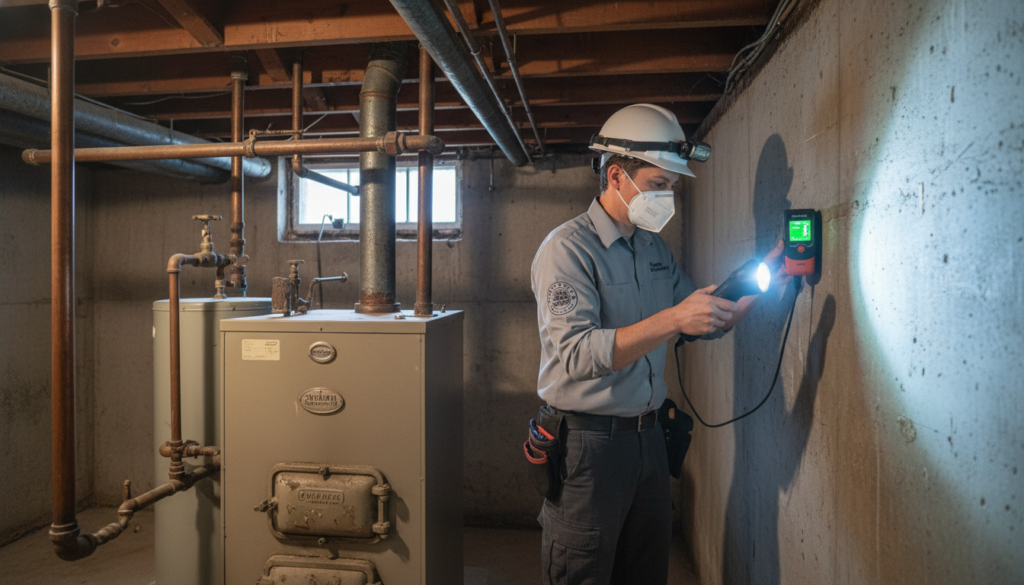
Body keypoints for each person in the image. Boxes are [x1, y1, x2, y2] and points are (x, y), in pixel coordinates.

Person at [530, 104, 786, 585]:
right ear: (616, 176)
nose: (667, 199)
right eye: (658, 186)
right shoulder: (567, 251)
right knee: (581, 571)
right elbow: (579, 355)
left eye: (671, 188)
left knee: (645, 572)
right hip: (590, 446)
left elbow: (705, 319)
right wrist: (673, 317)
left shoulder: (652, 249)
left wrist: (770, 271)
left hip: (648, 441)